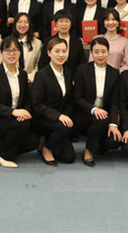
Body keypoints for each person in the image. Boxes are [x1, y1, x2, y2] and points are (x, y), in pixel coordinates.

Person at [0, 37, 40, 168]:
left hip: (16, 120)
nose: (11, 54)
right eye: (7, 50)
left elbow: (27, 100)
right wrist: (13, 112)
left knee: (34, 141)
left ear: (20, 52)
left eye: (15, 50)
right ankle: (2, 155)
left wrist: (24, 112)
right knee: (23, 125)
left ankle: (2, 147)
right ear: (1, 52)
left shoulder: (22, 74)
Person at [73, 37, 122, 167]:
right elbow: (77, 98)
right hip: (84, 114)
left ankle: (99, 145)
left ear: (108, 52)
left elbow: (114, 102)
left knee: (114, 141)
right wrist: (93, 109)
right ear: (91, 53)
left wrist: (113, 124)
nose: (100, 55)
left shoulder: (114, 73)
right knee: (101, 119)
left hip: (104, 117)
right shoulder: (82, 70)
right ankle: (88, 151)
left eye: (103, 51)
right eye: (96, 52)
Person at [32, 37, 76, 165]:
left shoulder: (68, 74)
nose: (61, 55)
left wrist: (66, 116)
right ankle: (46, 148)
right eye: (57, 51)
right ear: (49, 53)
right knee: (64, 127)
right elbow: (37, 105)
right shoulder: (41, 75)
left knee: (69, 157)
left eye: (64, 51)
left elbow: (69, 100)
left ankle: (46, 141)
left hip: (60, 121)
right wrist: (59, 116)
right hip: (43, 118)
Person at [11, 12, 43, 82]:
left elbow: (38, 65)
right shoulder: (8, 42)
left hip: (30, 81)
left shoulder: (37, 43)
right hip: (11, 80)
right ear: (15, 24)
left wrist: (29, 78)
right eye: (19, 22)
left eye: (26, 22)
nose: (22, 25)